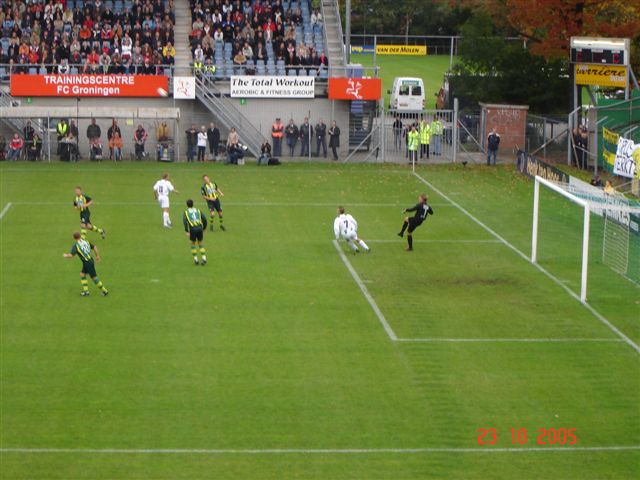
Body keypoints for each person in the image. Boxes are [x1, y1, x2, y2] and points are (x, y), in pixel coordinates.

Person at [63, 231, 109, 296]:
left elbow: (71, 255)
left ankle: (105, 291)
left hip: (87, 263)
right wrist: (97, 255)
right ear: (80, 236)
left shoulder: (76, 245)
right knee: (82, 274)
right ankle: (86, 292)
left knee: (94, 277)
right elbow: (94, 247)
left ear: (74, 238)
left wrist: (65, 255)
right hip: (89, 261)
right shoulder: (86, 241)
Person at [183, 199, 208, 265]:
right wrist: (204, 228)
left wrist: (187, 231)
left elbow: (185, 222)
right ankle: (204, 258)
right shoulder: (198, 210)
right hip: (200, 228)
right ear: (193, 204)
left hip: (193, 229)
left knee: (192, 243)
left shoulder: (186, 212)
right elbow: (204, 219)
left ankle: (196, 260)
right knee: (200, 243)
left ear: (187, 205)